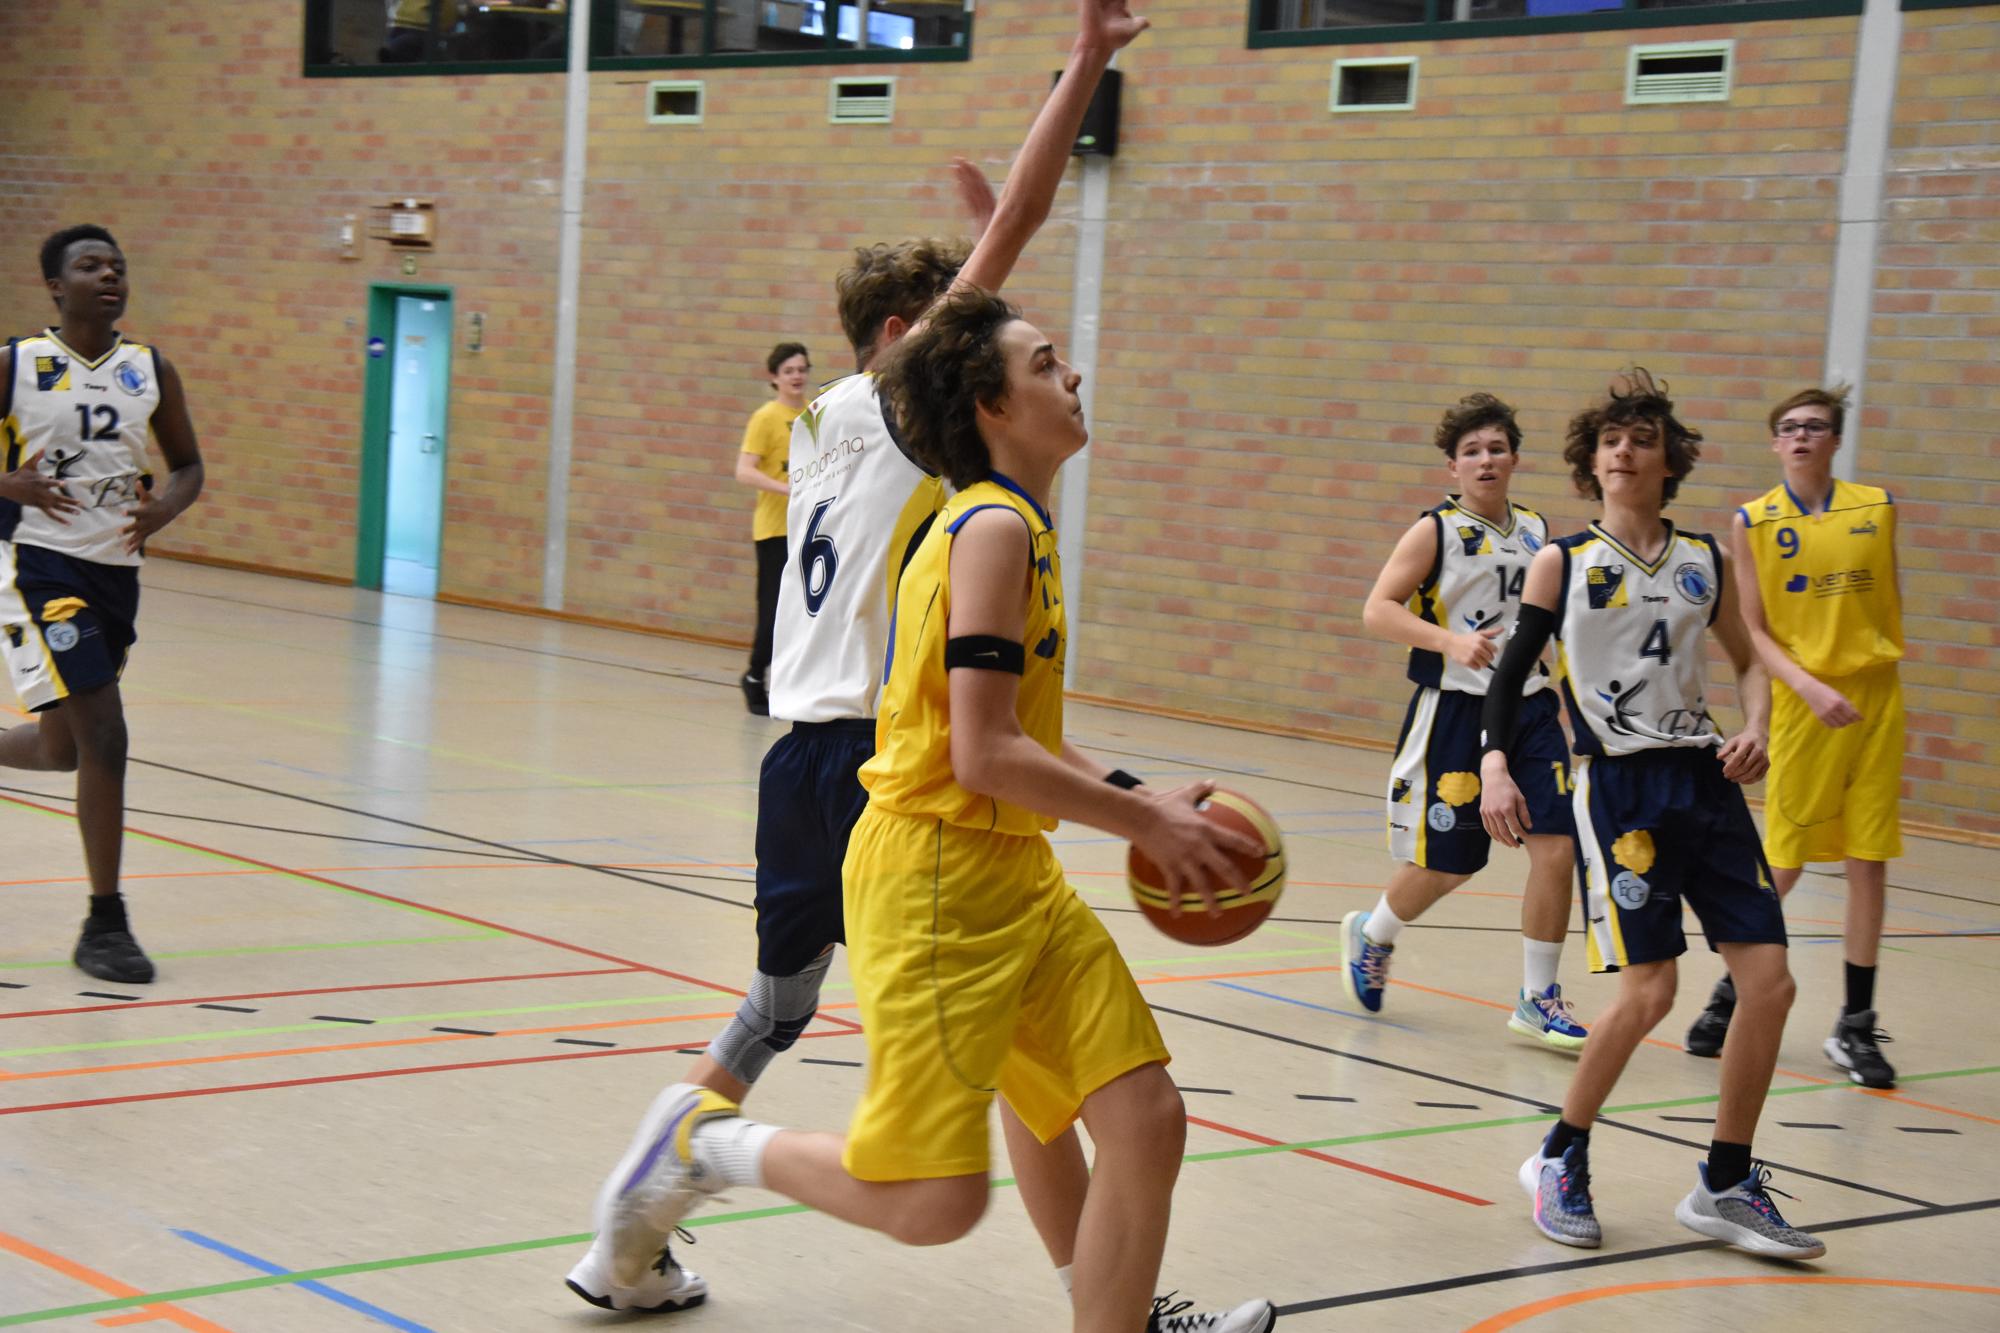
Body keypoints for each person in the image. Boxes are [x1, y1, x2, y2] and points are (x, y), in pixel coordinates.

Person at [566, 4, 1276, 1328]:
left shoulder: (824, 425)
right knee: (911, 1148)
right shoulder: (930, 439)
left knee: (939, 1055)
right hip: (889, 776)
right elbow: (1023, 228)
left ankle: (1097, 1299)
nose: (1030, 341)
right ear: (918, 338)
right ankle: (675, 1171)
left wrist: (1128, 790)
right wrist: (1082, 66)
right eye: (986, 320)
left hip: (830, 752)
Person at [1479, 370, 1823, 1261]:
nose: (1624, 451)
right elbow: (1512, 673)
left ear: (1670, 462)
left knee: (1771, 983)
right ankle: (1559, 1154)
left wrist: (1756, 726)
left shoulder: (1705, 557)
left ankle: (1725, 1181)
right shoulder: (1563, 560)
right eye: (1611, 441)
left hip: (1706, 781)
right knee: (1652, 990)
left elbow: (1750, 659)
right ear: (1592, 463)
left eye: (1641, 439)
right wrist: (1495, 765)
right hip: (1620, 790)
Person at [0, 225, 205, 985]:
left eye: (117, 265)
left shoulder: (149, 369)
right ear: (56, 286)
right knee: (107, 735)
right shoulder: (17, 363)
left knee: (63, 750)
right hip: (37, 567)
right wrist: (5, 484)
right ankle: (105, 921)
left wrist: (164, 509)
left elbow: (187, 465)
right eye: (90, 266)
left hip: (115, 571)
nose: (109, 275)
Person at [1350, 393, 1586, 1050]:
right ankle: (1373, 934)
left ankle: (1538, 995)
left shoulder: (1538, 530)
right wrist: (1449, 641)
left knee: (1557, 846)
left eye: (1496, 448)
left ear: (1514, 459)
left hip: (1530, 708)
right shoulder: (1436, 530)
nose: (1486, 460)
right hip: (1454, 708)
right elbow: (1377, 609)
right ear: (1452, 467)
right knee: (1450, 865)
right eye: (1472, 451)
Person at [1683, 387, 1903, 1088]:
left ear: (1835, 440)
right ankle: (1731, 991)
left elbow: (1885, 606)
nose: (1802, 436)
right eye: (1789, 427)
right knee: (1785, 861)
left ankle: (1856, 1024)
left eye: (1815, 426)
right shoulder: (1753, 521)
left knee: (1869, 860)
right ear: (1776, 442)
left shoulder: (1876, 507)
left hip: (1875, 701)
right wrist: (1807, 688)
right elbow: (1753, 631)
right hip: (1806, 703)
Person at [734, 341, 810, 715]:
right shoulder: (766, 418)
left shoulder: (814, 414)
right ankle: (754, 675)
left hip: (806, 529)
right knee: (773, 610)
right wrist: (787, 488)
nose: (797, 376)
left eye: (802, 369)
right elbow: (744, 471)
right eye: (789, 371)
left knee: (803, 611)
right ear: (775, 377)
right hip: (774, 529)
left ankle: (789, 683)